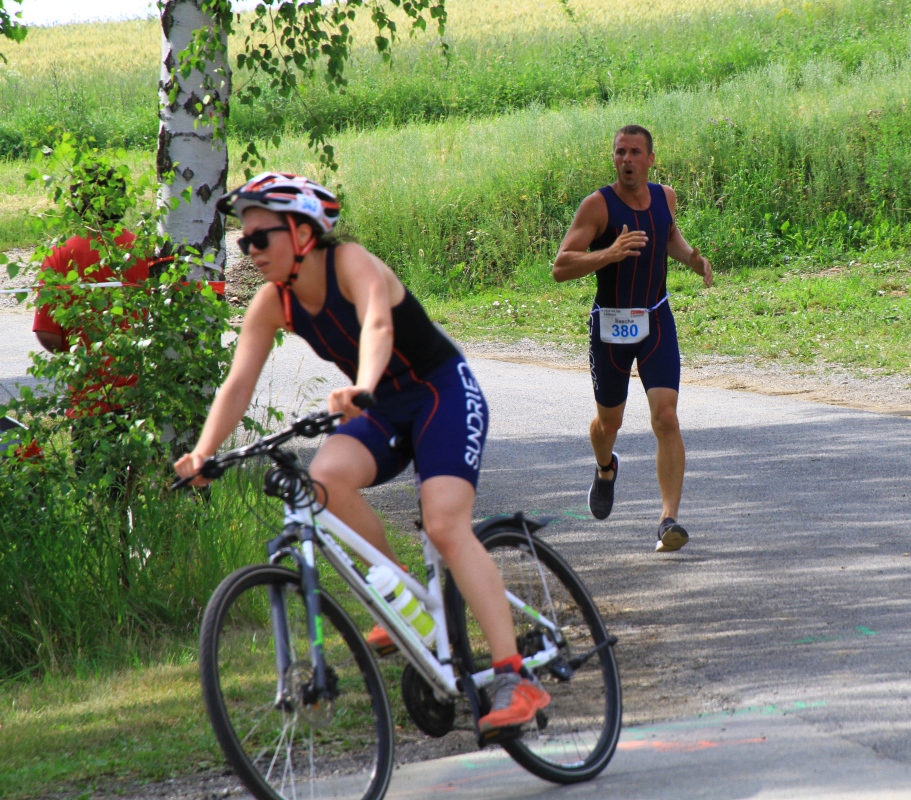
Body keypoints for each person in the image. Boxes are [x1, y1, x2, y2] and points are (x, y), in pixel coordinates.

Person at [173, 172, 549, 734]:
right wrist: (203, 453)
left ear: (303, 234)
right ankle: (400, 591)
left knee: (445, 525)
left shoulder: (349, 262)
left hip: (440, 392)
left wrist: (363, 386)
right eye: (243, 241)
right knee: (323, 479)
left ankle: (514, 676)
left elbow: (377, 323)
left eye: (260, 238)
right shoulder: (272, 302)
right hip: (381, 406)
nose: (249, 251)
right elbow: (238, 384)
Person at [552, 125, 713, 552]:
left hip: (655, 319)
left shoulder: (665, 197)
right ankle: (606, 468)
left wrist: (693, 260)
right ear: (614, 159)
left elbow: (669, 237)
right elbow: (561, 266)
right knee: (609, 424)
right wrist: (608, 254)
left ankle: (668, 520)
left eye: (635, 152)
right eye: (620, 152)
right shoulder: (598, 206)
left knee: (667, 417)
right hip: (610, 326)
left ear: (650, 159)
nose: (627, 159)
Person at [32, 167, 154, 476]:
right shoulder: (144, 250)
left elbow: (47, 334)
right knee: (140, 486)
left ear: (76, 204)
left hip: (89, 400)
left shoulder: (60, 254)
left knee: (96, 487)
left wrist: (82, 354)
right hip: (144, 397)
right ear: (121, 201)